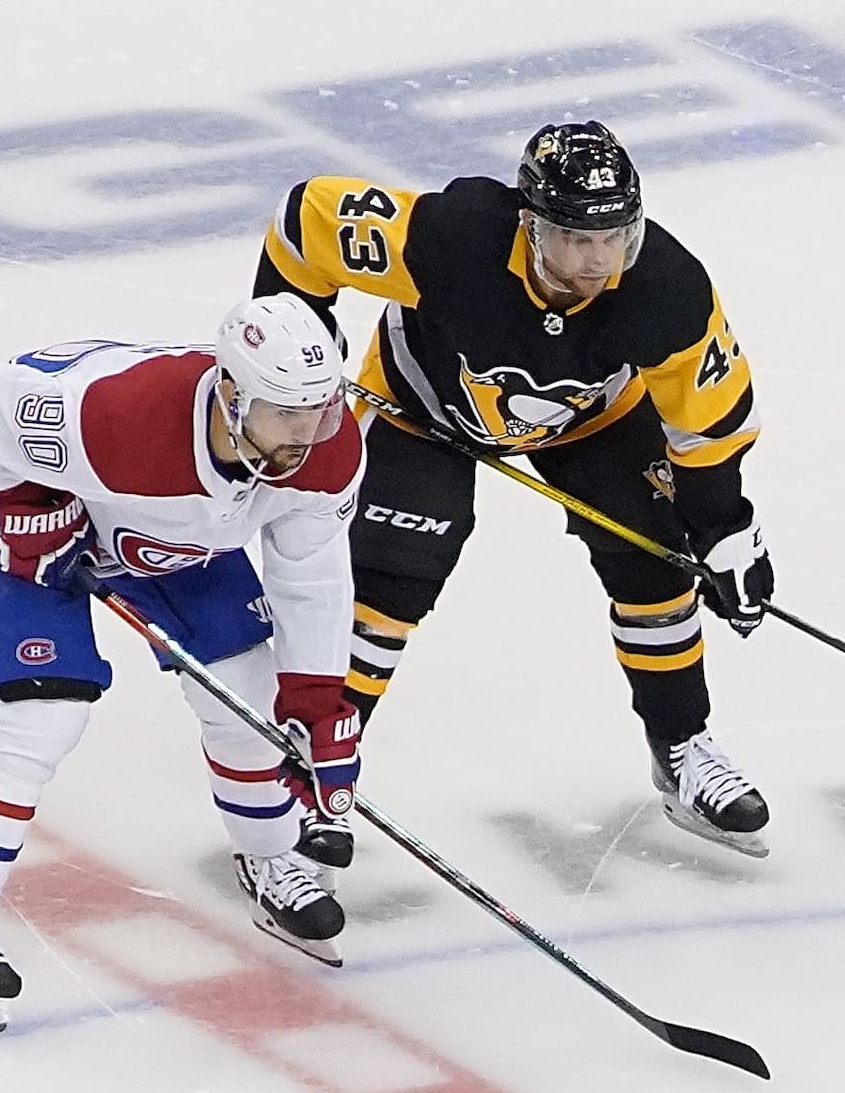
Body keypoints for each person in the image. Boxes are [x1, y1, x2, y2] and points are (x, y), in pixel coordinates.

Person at [252, 121, 779, 855]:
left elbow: (710, 422)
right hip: (424, 410)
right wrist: (296, 338)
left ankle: (682, 746)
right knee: (388, 585)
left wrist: (723, 527)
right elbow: (308, 219)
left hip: (593, 419)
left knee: (655, 564)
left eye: (615, 237)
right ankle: (309, 773)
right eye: (577, 240)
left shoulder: (666, 288)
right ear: (530, 225)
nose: (598, 261)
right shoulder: (456, 239)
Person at [0, 297, 367, 1028]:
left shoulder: (328, 448)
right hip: (43, 521)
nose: (309, 433)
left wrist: (315, 701)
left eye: (321, 408)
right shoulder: (120, 414)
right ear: (232, 394)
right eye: (287, 413)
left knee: (247, 694)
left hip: (175, 538)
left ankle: (271, 857)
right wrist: (26, 500)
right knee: (43, 713)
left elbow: (311, 572)